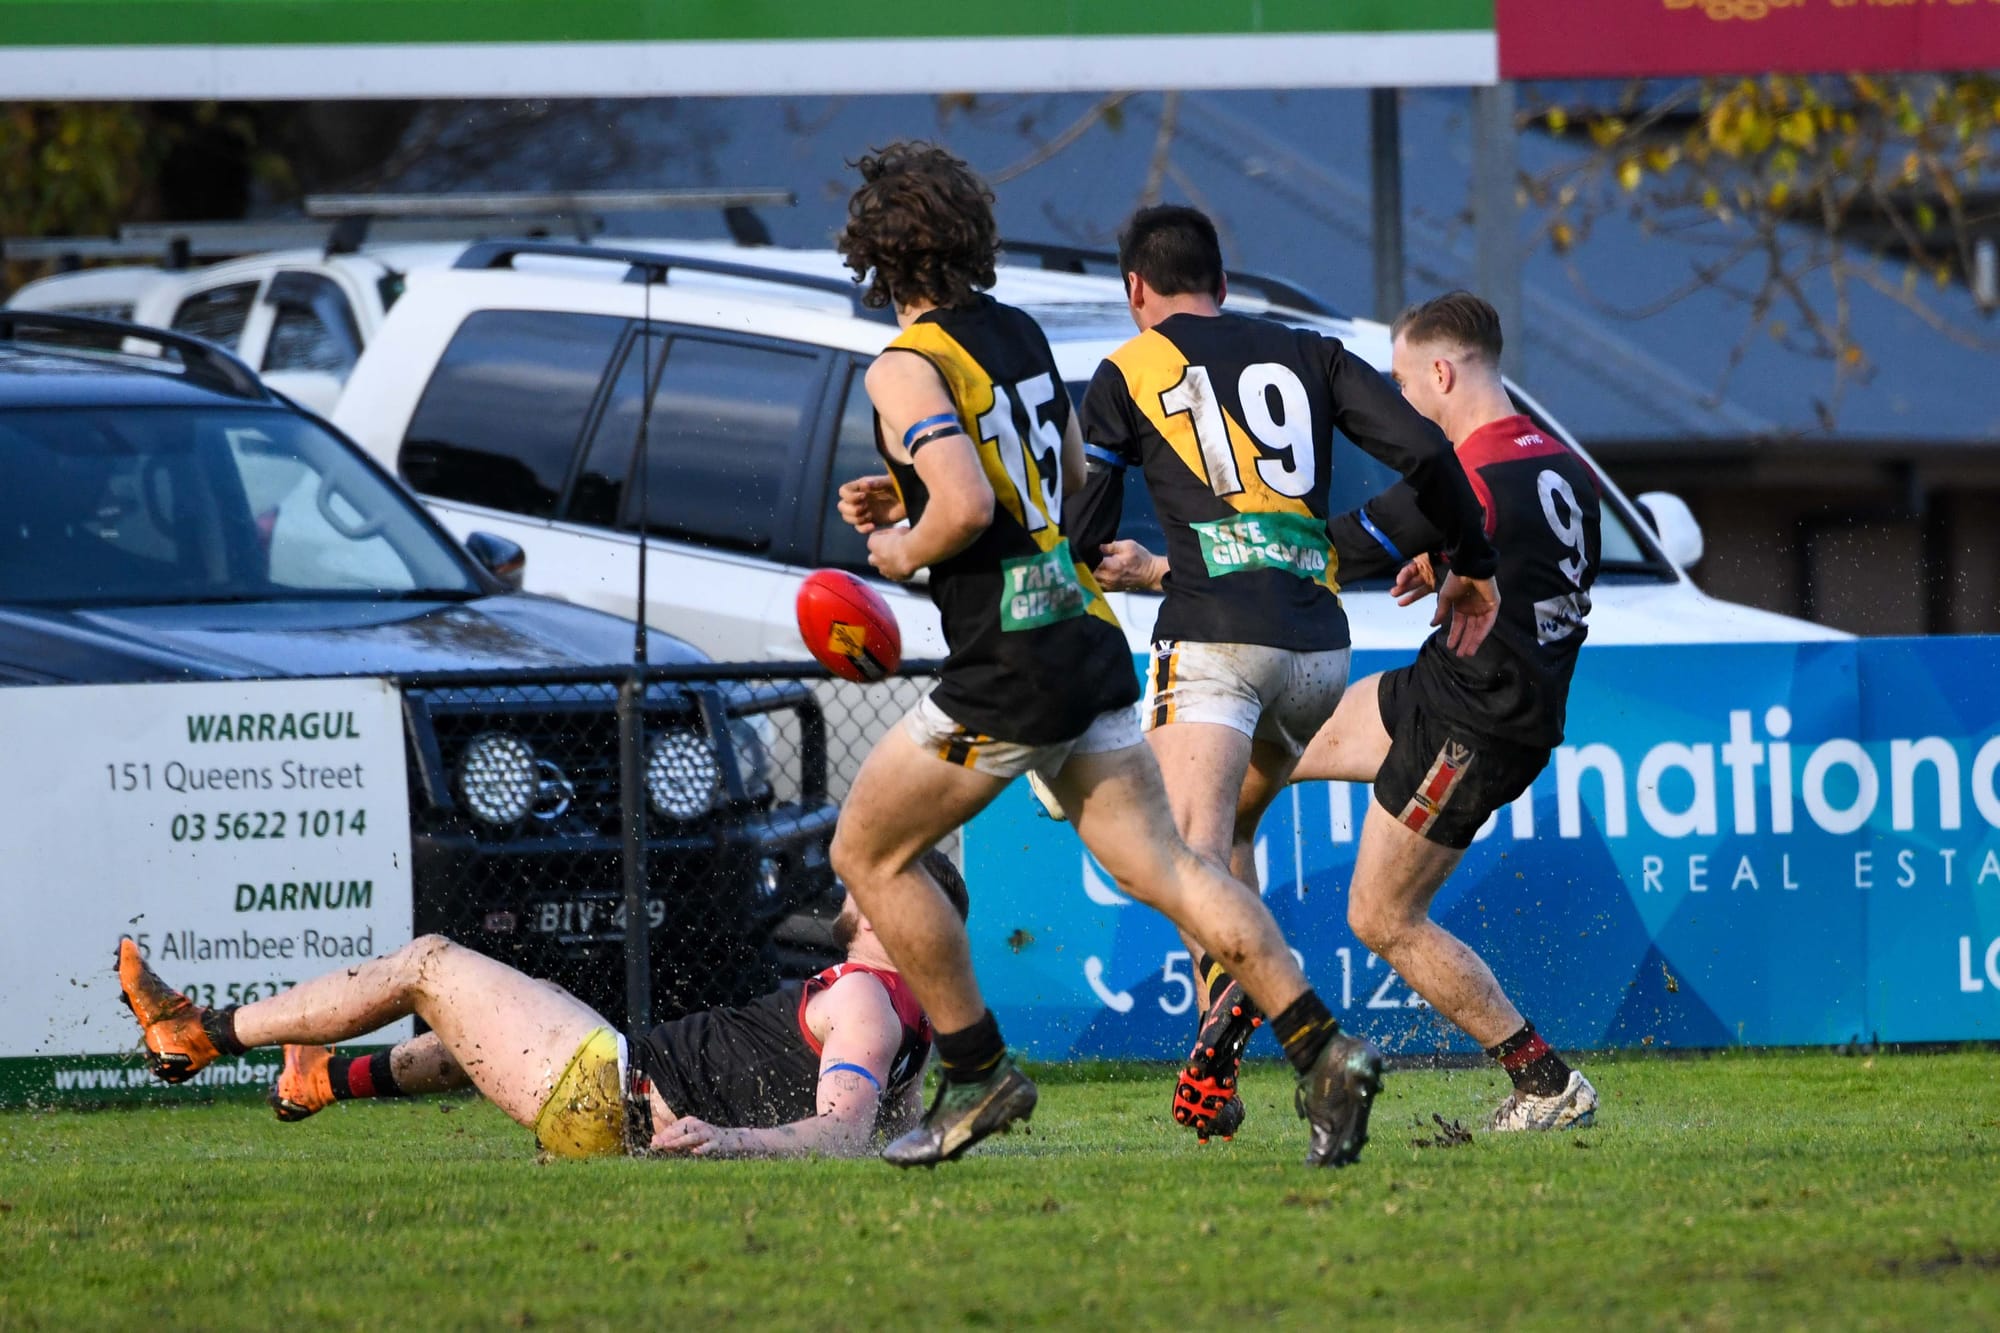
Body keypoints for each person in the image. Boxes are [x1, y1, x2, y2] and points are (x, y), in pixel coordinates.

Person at [829, 141, 1380, 1169]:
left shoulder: (903, 365)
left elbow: (967, 503)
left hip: (1007, 665)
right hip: (1084, 640)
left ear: (875, 255)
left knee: (866, 855)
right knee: (1169, 865)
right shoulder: (1021, 333)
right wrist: (908, 491)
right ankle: (1321, 1049)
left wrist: (901, 542)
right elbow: (1065, 473)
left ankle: (976, 1071)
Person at [1103, 292, 1601, 1131]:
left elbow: (1311, 553)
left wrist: (1160, 569)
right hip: (1453, 688)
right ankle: (1229, 993)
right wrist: (1445, 562)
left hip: (1472, 724)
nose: (1404, 403)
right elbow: (1532, 577)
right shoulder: (1558, 463)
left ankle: (1546, 1081)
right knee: (1250, 776)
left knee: (1380, 916)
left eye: (1407, 385)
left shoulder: (1468, 476)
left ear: (1442, 373)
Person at [1067, 205, 1501, 1143]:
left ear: (1135, 291)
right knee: (1233, 841)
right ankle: (1219, 1067)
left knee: (1184, 860)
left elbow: (1078, 536)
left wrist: (1135, 569)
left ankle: (1260, 1013)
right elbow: (1429, 453)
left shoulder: (1126, 369)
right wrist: (1470, 560)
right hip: (1317, 650)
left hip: (1214, 644)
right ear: (1221, 286)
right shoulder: (1309, 350)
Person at [115, 852, 970, 1159]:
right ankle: (328, 1079)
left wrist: (729, 1140)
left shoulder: (866, 996)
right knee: (497, 1017)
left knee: (429, 963)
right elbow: (885, 1140)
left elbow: (842, 1131)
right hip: (620, 1092)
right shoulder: (902, 1018)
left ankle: (200, 1033)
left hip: (617, 1097)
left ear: (906, 910)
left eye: (887, 876)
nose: (863, 876)